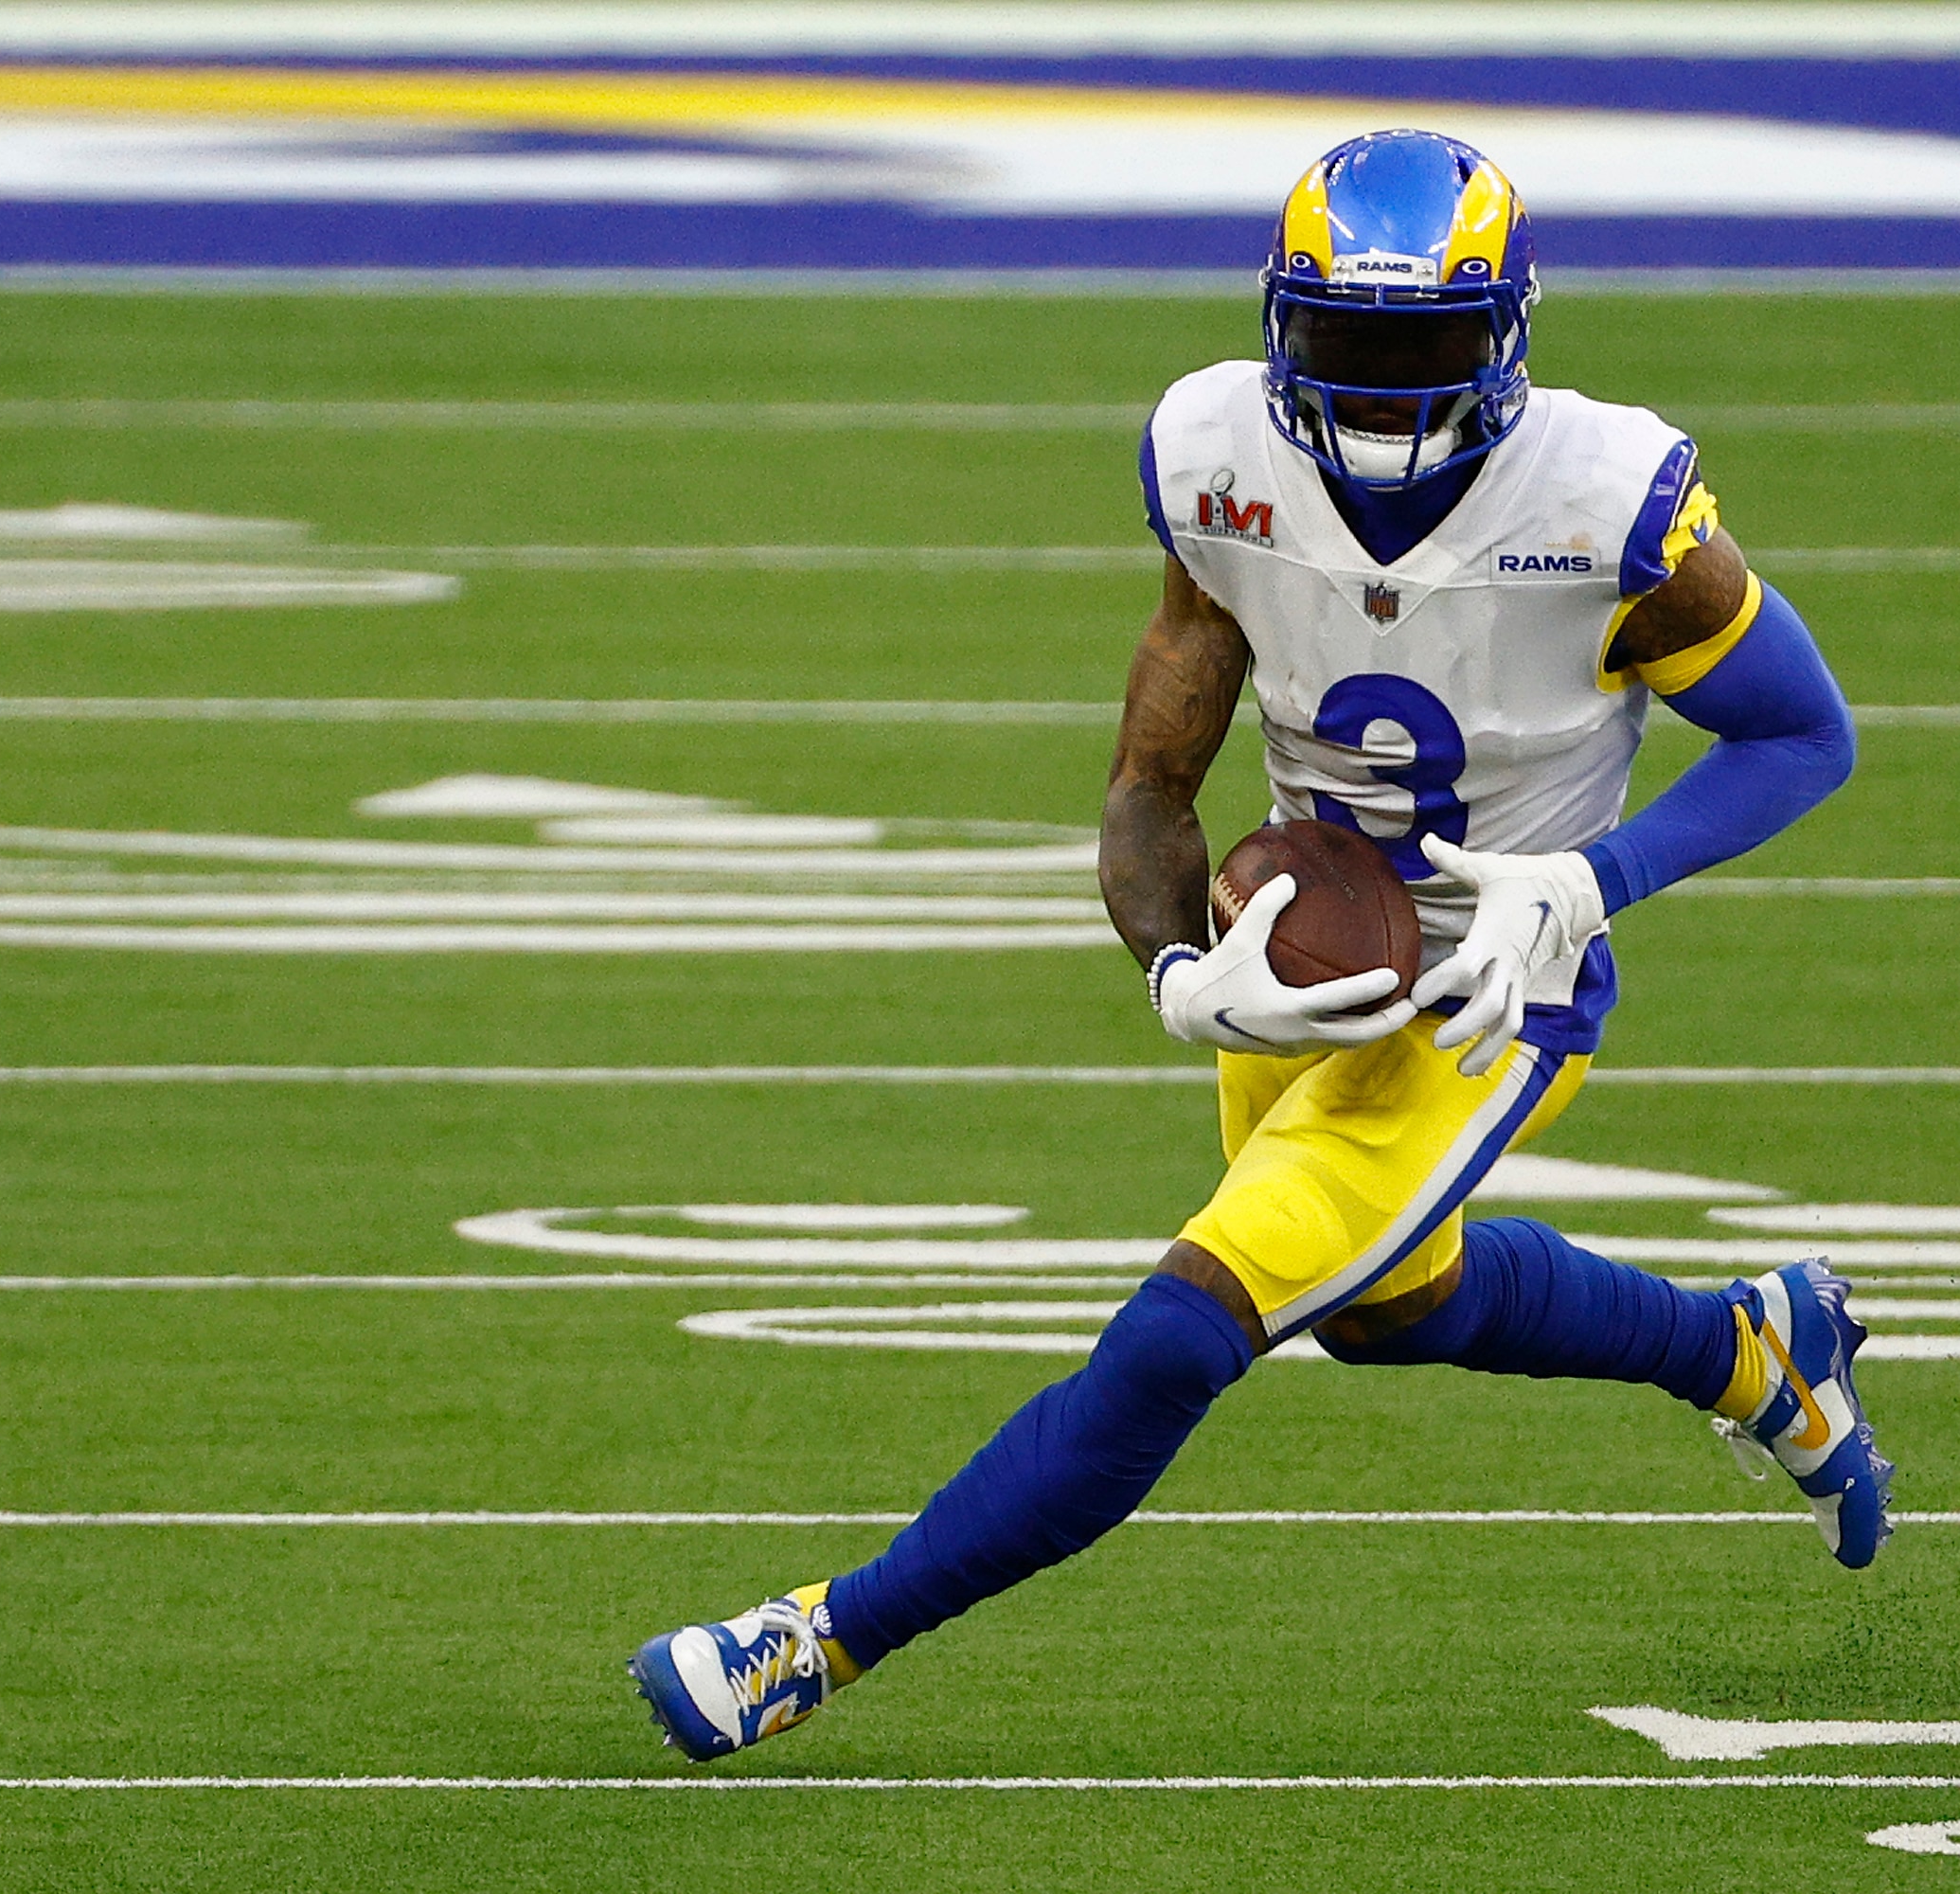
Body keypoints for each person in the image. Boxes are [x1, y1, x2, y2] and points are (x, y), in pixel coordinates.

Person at [629, 129, 1887, 1762]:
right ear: (1280, 327)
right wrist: (1172, 968)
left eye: (1422, 345)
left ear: (1507, 337)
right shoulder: (1218, 456)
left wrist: (1586, 882)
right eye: (1347, 345)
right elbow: (1153, 784)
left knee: (1179, 1334)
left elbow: (1804, 735)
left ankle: (818, 1639)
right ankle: (1747, 1346)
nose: (1378, 394)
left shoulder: (1609, 503)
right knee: (1382, 1303)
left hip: (1493, 985)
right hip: (1304, 960)